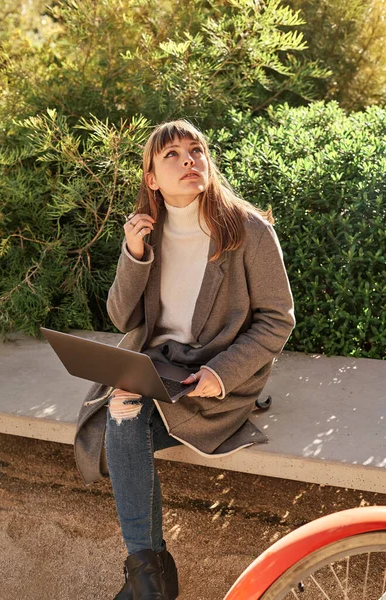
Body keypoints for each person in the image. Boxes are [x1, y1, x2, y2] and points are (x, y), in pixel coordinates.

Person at [103, 120, 295, 599]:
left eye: (196, 150)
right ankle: (149, 577)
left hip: (213, 373)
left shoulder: (248, 229)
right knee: (124, 402)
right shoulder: (150, 230)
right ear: (151, 179)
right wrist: (133, 253)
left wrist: (221, 374)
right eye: (172, 155)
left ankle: (148, 581)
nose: (189, 160)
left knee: (122, 420)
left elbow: (278, 320)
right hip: (158, 364)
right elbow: (121, 317)